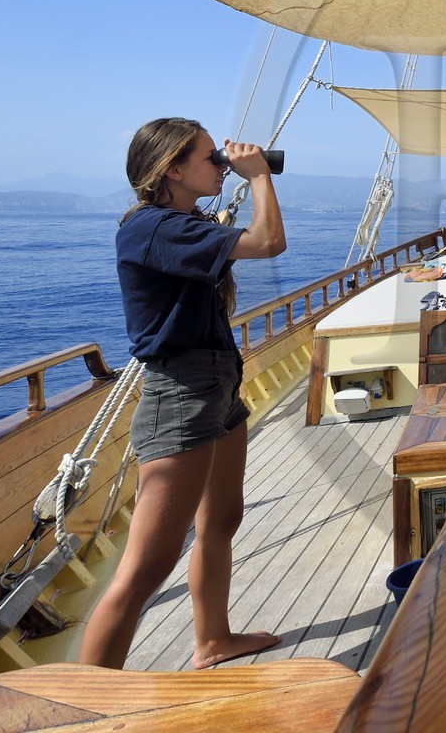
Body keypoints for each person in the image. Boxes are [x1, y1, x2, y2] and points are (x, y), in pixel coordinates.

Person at [80, 118, 287, 670]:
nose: (222, 166)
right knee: (146, 568)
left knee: (221, 521)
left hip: (218, 382)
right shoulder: (152, 229)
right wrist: (260, 175)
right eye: (210, 158)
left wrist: (245, 173)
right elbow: (269, 242)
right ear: (172, 168)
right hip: (181, 394)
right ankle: (78, 705)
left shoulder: (183, 223)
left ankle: (212, 640)